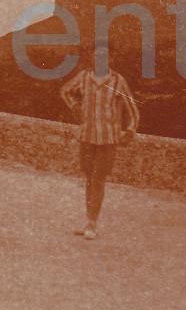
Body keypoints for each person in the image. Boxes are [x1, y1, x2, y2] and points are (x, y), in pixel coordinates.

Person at [59, 60, 140, 240]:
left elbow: (132, 108)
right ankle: (89, 220)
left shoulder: (117, 81)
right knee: (89, 178)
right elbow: (65, 91)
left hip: (108, 139)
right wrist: (75, 106)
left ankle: (92, 223)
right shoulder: (84, 77)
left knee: (98, 179)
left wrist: (130, 130)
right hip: (87, 136)